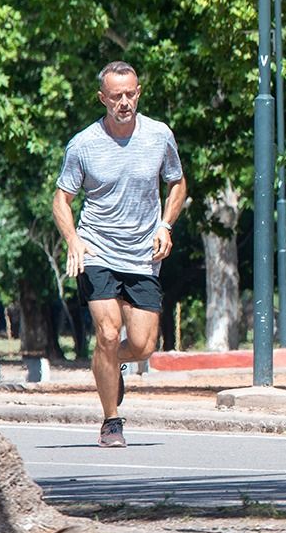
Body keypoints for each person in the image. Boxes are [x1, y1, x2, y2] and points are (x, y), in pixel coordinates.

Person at [52, 61, 187, 448]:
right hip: (97, 248)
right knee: (108, 333)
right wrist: (73, 240)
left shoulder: (159, 135)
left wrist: (166, 225)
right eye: (116, 96)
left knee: (144, 346)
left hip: (143, 252)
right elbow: (62, 200)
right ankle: (112, 420)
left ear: (138, 92)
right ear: (102, 98)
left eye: (130, 94)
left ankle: (110, 368)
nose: (124, 102)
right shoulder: (83, 143)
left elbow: (176, 182)